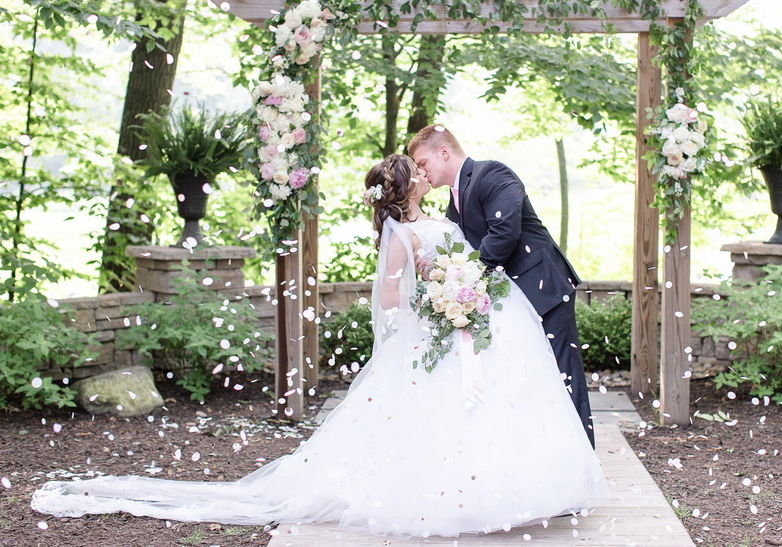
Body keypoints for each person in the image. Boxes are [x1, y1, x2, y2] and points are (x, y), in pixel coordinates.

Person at [32, 154, 606, 538]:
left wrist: (459, 296)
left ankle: (503, 484)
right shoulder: (401, 233)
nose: (430, 175)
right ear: (407, 187)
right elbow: (388, 300)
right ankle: (454, 493)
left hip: (463, 326)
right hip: (436, 330)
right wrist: (437, 302)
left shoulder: (440, 216)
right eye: (420, 173)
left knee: (486, 405)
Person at [409, 125, 595, 448]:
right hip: (512, 303)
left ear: (443, 152)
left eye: (422, 162)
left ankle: (584, 461)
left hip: (543, 290)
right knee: (532, 382)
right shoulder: (453, 203)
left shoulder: (491, 173)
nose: (420, 171)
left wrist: (465, 276)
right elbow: (459, 247)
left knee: (564, 375)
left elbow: (504, 231)